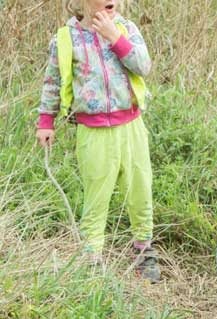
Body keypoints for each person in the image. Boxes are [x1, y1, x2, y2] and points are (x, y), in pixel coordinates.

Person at [35, 0, 160, 281]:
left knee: (140, 187)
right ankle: (92, 257)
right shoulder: (66, 38)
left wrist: (114, 37)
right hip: (92, 131)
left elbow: (143, 65)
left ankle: (144, 249)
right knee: (96, 194)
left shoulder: (126, 29)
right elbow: (52, 81)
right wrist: (46, 121)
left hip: (131, 125)